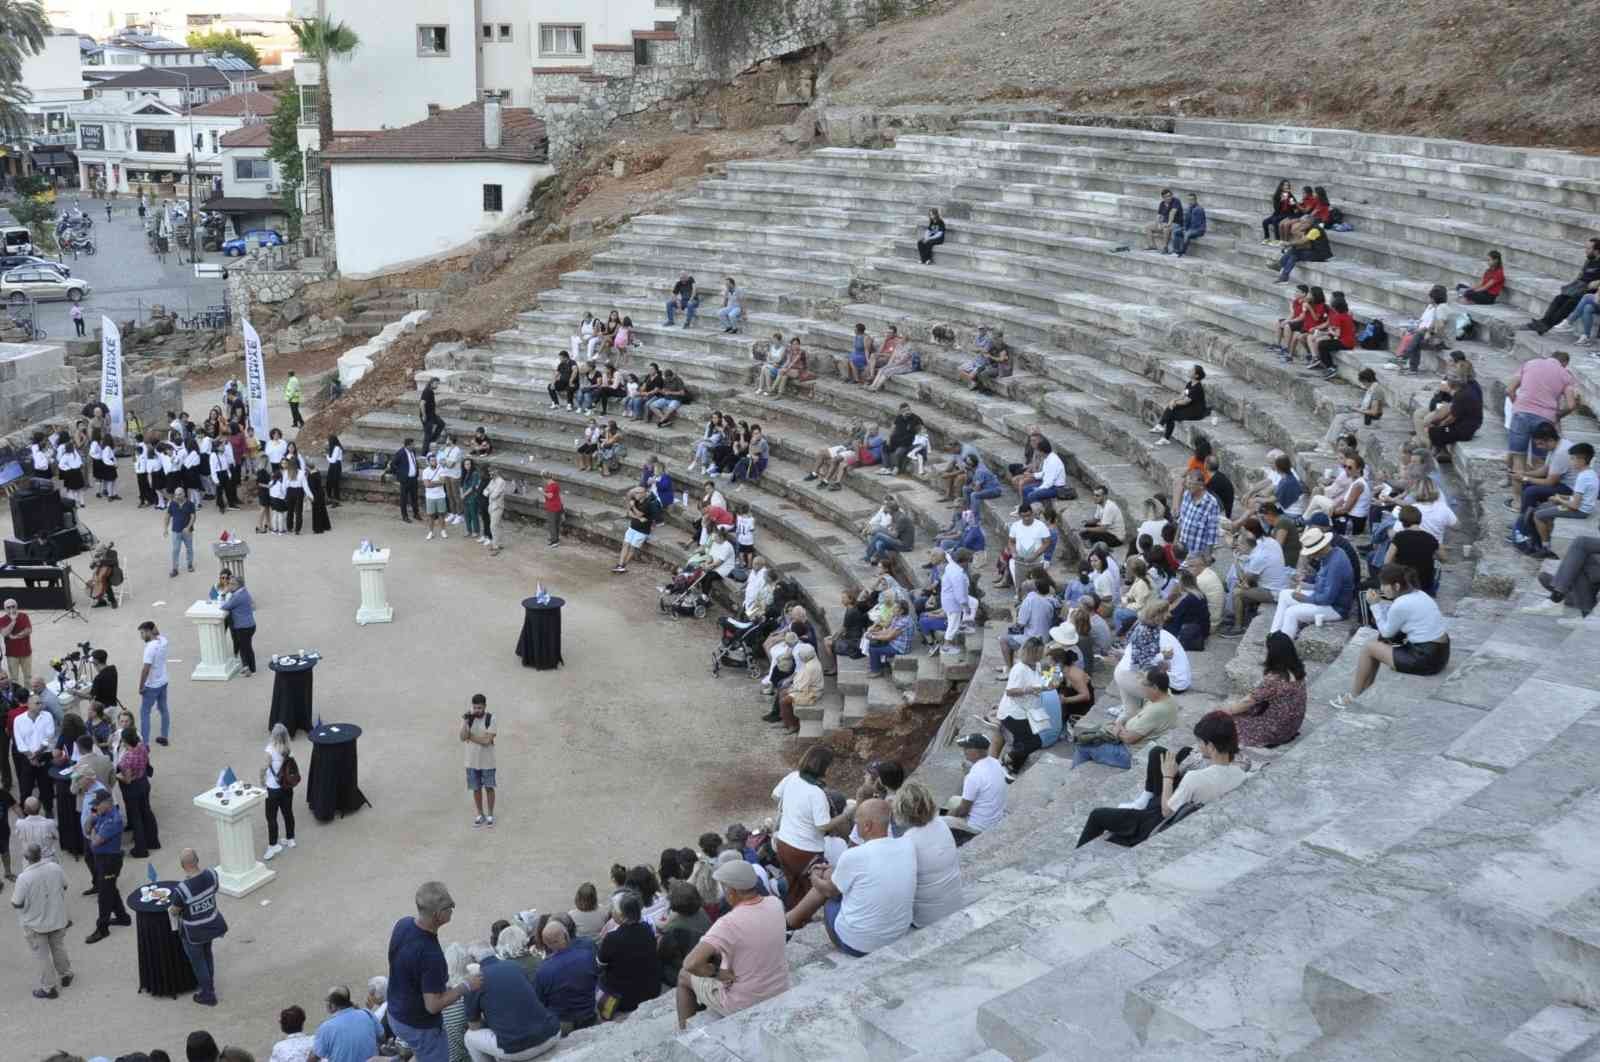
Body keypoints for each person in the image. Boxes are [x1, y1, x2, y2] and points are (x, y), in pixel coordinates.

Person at [1075, 711, 1245, 847]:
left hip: (1156, 820)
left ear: (1211, 746)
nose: (1199, 745)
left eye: (1200, 742)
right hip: (1188, 802)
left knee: (1097, 815)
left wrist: (1168, 777)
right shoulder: (1240, 774)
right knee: (1162, 753)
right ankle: (1145, 798)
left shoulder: (1195, 778)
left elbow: (1166, 811)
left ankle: (1078, 855)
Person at [784, 798, 914, 957]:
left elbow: (829, 892)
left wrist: (813, 877)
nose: (855, 826)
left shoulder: (854, 855)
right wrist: (830, 872)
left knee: (826, 894)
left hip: (857, 945)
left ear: (867, 826)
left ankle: (789, 922)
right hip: (897, 935)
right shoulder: (907, 845)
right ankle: (790, 921)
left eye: (857, 823)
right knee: (832, 878)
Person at [673, 858, 788, 1029]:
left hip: (744, 1001)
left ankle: (685, 1032)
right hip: (780, 987)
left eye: (724, 888)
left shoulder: (728, 923)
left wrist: (718, 974)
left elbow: (691, 963)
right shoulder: (775, 903)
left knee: (683, 975)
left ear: (732, 892)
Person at [1332, 564, 1451, 709]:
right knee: (1378, 644)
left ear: (1396, 586)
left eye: (1384, 585)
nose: (1381, 589)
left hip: (1426, 659)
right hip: (1442, 652)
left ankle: (1353, 696)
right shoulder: (1420, 594)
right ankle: (1365, 689)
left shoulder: (1401, 603)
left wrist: (1374, 605)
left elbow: (1386, 632)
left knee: (1369, 647)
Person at [388, 881, 482, 1062]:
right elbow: (433, 1006)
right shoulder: (432, 955)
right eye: (450, 906)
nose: (453, 908)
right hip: (419, 1026)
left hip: (395, 1014)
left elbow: (402, 965)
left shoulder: (403, 924)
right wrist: (466, 985)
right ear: (438, 915)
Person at [462, 946, 558, 1061]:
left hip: (519, 1049)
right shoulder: (515, 965)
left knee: (469, 1037)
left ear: (473, 962)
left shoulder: (474, 981)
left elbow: (474, 1026)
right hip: (552, 1034)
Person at [1073, 667, 1179, 771]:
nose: (1141, 685)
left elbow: (1129, 739)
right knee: (1091, 734)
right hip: (1132, 740)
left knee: (1083, 746)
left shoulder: (1157, 710)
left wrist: (1118, 728)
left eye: (1144, 684)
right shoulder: (1165, 694)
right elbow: (1138, 712)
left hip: (1130, 753)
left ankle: (1073, 776)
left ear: (1155, 688)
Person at [1219, 632, 1307, 748]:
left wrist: (1227, 711)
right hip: (1292, 726)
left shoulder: (1275, 679)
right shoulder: (1297, 670)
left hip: (1277, 731)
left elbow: (1249, 701)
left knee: (1225, 722)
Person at [11, 841, 72, 999]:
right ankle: (66, 974)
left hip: (35, 923)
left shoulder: (24, 878)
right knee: (58, 947)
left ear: (26, 857)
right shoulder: (54, 867)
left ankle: (49, 988)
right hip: (57, 918)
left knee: (42, 956)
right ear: (40, 854)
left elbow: (16, 902)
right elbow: (65, 886)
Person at [1270, 526, 1354, 638]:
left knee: (1291, 612)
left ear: (1320, 548)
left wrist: (1304, 598)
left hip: (1335, 608)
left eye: (1312, 553)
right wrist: (1305, 579)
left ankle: (1283, 646)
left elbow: (1327, 599)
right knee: (1284, 594)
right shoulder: (1332, 553)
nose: (1311, 556)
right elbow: (1322, 580)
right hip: (1324, 599)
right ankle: (1273, 637)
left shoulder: (1336, 563)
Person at [171, 847, 227, 1006]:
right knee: (208, 954)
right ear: (197, 860)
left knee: (198, 962)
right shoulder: (212, 874)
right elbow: (214, 890)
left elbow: (175, 911)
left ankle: (208, 994)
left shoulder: (182, 890)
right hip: (211, 924)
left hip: (193, 932)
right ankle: (210, 986)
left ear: (183, 865)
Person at [596, 890, 661, 1019]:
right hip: (651, 990)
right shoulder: (648, 928)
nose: (612, 912)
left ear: (622, 916)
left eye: (614, 909)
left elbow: (600, 964)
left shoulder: (612, 938)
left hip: (624, 1000)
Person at [994, 637, 1050, 775]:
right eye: (1039, 653)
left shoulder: (1035, 665)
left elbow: (1038, 681)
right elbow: (1010, 691)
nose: (1042, 655)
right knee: (1034, 742)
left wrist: (1047, 685)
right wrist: (1028, 689)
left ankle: (1012, 768)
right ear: (1032, 653)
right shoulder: (1019, 669)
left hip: (1026, 710)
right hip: (1013, 712)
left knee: (1022, 741)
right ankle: (1009, 758)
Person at [1526, 237, 1600, 335]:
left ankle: (1546, 325)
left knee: (1570, 302)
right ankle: (1544, 322)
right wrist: (1572, 285)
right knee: (1559, 298)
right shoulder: (1589, 260)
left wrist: (1597, 282)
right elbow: (1580, 275)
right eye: (1585, 248)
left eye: (1588, 249)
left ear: (1596, 250)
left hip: (1591, 291)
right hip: (1579, 287)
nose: (1585, 251)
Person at [533, 921, 597, 1034]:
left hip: (562, 1024)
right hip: (590, 1015)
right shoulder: (587, 956)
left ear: (546, 944)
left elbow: (540, 1002)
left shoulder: (542, 970)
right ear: (567, 936)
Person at [83, 789, 129, 943]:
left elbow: (95, 841)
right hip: (102, 859)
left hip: (110, 862)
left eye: (97, 804)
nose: (95, 808)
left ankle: (102, 929)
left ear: (107, 803)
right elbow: (87, 828)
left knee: (104, 896)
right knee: (110, 888)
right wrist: (93, 828)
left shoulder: (113, 820)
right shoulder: (102, 814)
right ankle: (123, 917)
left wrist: (93, 830)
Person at [943, 733, 1006, 843]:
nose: (964, 750)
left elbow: (963, 811)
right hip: (995, 818)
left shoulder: (973, 776)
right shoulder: (995, 763)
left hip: (977, 827)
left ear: (976, 752)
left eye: (967, 748)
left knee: (939, 822)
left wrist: (950, 815)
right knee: (953, 800)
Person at [459, 694, 498, 828]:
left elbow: (487, 741)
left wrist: (471, 736)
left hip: (487, 762)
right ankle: (480, 814)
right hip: (471, 762)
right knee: (476, 789)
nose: (477, 710)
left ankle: (490, 815)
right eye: (475, 708)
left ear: (485, 707)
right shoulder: (469, 719)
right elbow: (462, 737)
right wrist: (465, 722)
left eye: (480, 708)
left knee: (489, 788)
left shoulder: (491, 718)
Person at [261, 723, 297, 861]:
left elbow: (263, 768)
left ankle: (272, 845)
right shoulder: (289, 750)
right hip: (287, 788)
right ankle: (290, 838)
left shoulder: (270, 749)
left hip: (273, 789)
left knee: (271, 818)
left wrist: (262, 781)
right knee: (288, 812)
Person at [210, 571, 257, 676]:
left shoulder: (237, 597)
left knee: (244, 649)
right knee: (247, 647)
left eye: (231, 584)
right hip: (249, 625)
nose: (229, 585)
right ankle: (250, 667)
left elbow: (225, 606)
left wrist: (223, 593)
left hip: (243, 627)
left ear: (237, 585)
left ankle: (248, 668)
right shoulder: (243, 592)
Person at [136, 620, 171, 746]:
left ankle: (144, 743)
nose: (141, 636)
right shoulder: (163, 641)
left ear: (149, 632)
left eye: (142, 633)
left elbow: (146, 669)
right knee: (163, 709)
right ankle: (164, 736)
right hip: (163, 681)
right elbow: (158, 633)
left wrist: (141, 686)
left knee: (145, 712)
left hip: (152, 685)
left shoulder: (150, 648)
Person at [1176, 472, 1220, 557]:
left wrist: (1207, 558)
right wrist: (1175, 542)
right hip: (1182, 549)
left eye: (1190, 484)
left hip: (1197, 554)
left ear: (1201, 485)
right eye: (1187, 483)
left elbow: (1211, 535)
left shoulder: (1211, 503)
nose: (1187, 486)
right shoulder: (1186, 495)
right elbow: (1182, 520)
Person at [389, 439, 420, 523]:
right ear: (408, 445)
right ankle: (405, 516)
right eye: (412, 445)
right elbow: (393, 464)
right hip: (405, 479)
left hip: (413, 479)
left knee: (414, 497)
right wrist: (400, 473)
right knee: (404, 498)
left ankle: (416, 513)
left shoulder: (413, 451)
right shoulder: (401, 453)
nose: (414, 446)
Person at [483, 469, 508, 554]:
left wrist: (489, 491)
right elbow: (485, 492)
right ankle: (499, 543)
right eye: (490, 472)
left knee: (493, 526)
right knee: (498, 526)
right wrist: (490, 492)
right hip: (491, 506)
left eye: (492, 472)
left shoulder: (501, 482)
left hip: (497, 506)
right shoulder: (492, 481)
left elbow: (494, 495)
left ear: (496, 472)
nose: (490, 474)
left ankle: (495, 546)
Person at [420, 379, 446, 448]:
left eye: (438, 384)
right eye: (436, 383)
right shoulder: (427, 391)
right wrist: (424, 415)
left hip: (432, 415)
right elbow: (422, 404)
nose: (437, 385)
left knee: (441, 424)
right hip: (427, 417)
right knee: (427, 435)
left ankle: (432, 440)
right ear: (431, 383)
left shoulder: (431, 391)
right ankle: (424, 454)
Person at [542, 477, 563, 548]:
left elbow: (550, 496)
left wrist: (542, 492)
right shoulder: (555, 484)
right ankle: (555, 538)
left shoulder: (552, 486)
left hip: (552, 508)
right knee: (555, 524)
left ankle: (554, 541)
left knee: (552, 524)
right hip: (557, 506)